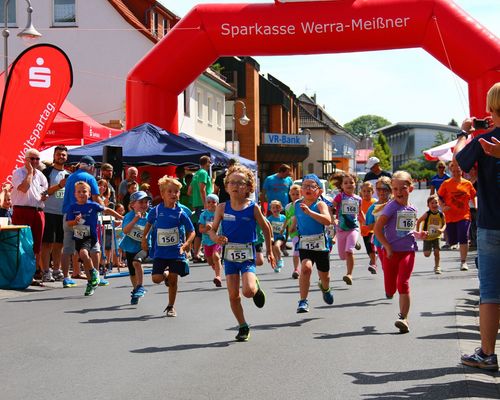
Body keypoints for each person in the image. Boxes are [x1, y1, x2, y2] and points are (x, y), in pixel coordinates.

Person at [456, 82, 500, 371]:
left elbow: (460, 158)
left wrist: (464, 132)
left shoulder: (484, 141)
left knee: (491, 293)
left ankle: (486, 353)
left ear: (491, 108)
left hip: (491, 225)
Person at [209, 165, 274, 341]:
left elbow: (266, 228)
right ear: (226, 185)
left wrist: (270, 250)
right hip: (229, 256)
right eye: (232, 182)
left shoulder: (253, 208)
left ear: (248, 186)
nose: (236, 185)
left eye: (240, 182)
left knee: (247, 291)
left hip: (247, 255)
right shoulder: (222, 208)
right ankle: (243, 325)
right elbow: (212, 230)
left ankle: (256, 286)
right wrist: (216, 238)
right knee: (233, 295)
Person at [374, 171, 420, 334]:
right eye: (395, 189)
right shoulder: (391, 207)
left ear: (411, 188)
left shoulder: (412, 208)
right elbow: (377, 229)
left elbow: (409, 231)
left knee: (403, 283)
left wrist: (420, 234)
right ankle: (390, 292)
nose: (399, 192)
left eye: (403, 188)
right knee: (390, 289)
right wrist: (386, 246)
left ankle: (404, 318)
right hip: (391, 253)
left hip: (408, 251)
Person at [141, 176, 195, 317]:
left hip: (176, 251)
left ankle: (171, 306)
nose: (173, 194)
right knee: (156, 279)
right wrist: (145, 237)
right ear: (162, 193)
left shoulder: (180, 213)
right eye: (169, 191)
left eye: (176, 192)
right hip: (160, 252)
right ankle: (164, 275)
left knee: (173, 279)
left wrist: (186, 244)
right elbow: (148, 224)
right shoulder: (156, 211)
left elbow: (192, 231)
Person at [66, 181, 123, 296]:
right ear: (75, 194)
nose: (82, 194)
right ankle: (90, 281)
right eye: (79, 192)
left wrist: (121, 217)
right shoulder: (72, 207)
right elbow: (69, 223)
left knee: (84, 253)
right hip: (79, 236)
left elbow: (107, 210)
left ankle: (94, 273)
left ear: (90, 193)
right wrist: (75, 221)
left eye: (84, 191)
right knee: (84, 259)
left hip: (91, 236)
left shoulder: (93, 205)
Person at [61, 155, 104, 288]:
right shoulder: (90, 178)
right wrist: (103, 208)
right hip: (85, 216)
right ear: (91, 167)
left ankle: (66, 278)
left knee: (68, 247)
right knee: (94, 246)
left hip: (69, 215)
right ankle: (96, 276)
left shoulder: (70, 177)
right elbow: (96, 198)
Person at [292, 174, 333, 313]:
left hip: (321, 244)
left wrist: (310, 212)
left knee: (325, 277)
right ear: (301, 190)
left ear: (319, 191)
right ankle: (303, 301)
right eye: (305, 186)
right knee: (306, 268)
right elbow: (296, 218)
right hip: (305, 243)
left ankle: (326, 288)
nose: (308, 188)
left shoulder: (320, 204)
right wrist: (292, 227)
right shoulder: (297, 204)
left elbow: (327, 220)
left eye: (312, 186)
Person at [11, 148, 49, 281]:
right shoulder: (18, 172)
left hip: (38, 211)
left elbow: (44, 192)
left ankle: (35, 271)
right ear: (26, 159)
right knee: (23, 242)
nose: (35, 161)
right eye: (32, 158)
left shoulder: (42, 175)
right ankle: (22, 271)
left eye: (37, 159)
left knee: (37, 243)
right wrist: (30, 172)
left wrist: (45, 195)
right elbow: (23, 188)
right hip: (22, 210)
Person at [437, 160, 476, 271]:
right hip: (450, 216)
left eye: (458, 171)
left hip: (464, 215)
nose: (456, 173)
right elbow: (439, 197)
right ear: (450, 171)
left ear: (462, 171)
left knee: (464, 236)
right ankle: (455, 244)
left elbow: (474, 195)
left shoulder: (467, 184)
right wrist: (443, 206)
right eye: (453, 171)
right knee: (453, 240)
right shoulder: (446, 183)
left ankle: (463, 262)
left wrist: (477, 206)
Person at [331, 172, 365, 285]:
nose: (349, 184)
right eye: (346, 183)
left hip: (353, 229)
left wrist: (364, 222)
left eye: (351, 182)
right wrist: (333, 218)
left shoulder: (358, 199)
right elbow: (331, 208)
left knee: (349, 251)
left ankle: (349, 274)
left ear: (355, 184)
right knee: (342, 256)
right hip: (341, 229)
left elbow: (360, 213)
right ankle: (354, 243)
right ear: (342, 186)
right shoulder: (340, 196)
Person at [120, 190, 151, 304]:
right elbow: (125, 230)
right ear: (133, 205)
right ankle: (136, 289)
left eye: (146, 202)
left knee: (137, 262)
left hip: (143, 247)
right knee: (132, 272)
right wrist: (135, 220)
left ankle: (140, 286)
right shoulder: (129, 216)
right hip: (129, 247)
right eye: (141, 202)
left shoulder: (149, 217)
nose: (144, 205)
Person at [188, 155, 213, 262]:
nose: (210, 164)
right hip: (204, 204)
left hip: (197, 204)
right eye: (209, 162)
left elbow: (189, 191)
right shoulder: (203, 173)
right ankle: (209, 254)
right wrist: (205, 203)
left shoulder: (196, 174)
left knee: (199, 230)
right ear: (206, 163)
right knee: (206, 228)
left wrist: (196, 201)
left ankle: (196, 254)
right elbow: (202, 189)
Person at [365, 177, 392, 265]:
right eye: (379, 189)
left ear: (390, 190)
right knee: (386, 267)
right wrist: (380, 221)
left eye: (385, 189)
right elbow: (369, 227)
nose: (382, 192)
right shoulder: (372, 208)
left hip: (394, 240)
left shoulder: (394, 205)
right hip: (380, 242)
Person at [416, 194, 446, 274]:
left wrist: (442, 229)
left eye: (436, 202)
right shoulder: (427, 214)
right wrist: (418, 233)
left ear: (438, 204)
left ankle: (437, 267)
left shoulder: (441, 214)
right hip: (427, 236)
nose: (434, 205)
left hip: (437, 236)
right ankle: (430, 248)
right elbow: (418, 221)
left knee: (437, 252)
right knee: (427, 254)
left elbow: (444, 224)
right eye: (432, 203)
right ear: (428, 205)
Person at [198, 193, 223, 287]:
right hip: (207, 241)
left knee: (216, 256)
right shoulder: (203, 215)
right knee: (209, 260)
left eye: (213, 202)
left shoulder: (220, 213)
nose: (211, 204)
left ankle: (218, 277)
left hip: (218, 239)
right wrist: (207, 228)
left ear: (217, 203)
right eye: (209, 202)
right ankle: (216, 266)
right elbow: (200, 230)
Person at [284, 184, 302, 279]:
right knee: (296, 250)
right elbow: (287, 219)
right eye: (293, 194)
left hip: (304, 231)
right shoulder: (287, 207)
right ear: (290, 195)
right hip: (293, 232)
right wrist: (284, 229)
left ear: (301, 194)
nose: (295, 196)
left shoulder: (304, 205)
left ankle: (304, 267)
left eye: (297, 194)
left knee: (304, 251)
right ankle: (296, 269)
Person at [360, 181, 377, 274]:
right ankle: (373, 259)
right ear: (361, 192)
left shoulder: (375, 202)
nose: (366, 193)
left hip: (374, 229)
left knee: (371, 245)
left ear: (372, 192)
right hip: (364, 230)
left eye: (368, 191)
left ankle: (374, 264)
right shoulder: (359, 202)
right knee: (368, 249)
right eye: (364, 191)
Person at [267, 200, 287, 273]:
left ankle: (280, 259)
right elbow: (267, 228)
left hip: (280, 236)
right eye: (273, 208)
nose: (275, 209)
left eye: (277, 207)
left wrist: (284, 230)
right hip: (272, 237)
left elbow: (287, 225)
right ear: (271, 209)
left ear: (281, 208)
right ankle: (276, 265)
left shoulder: (283, 217)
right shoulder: (269, 219)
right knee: (273, 250)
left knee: (276, 246)